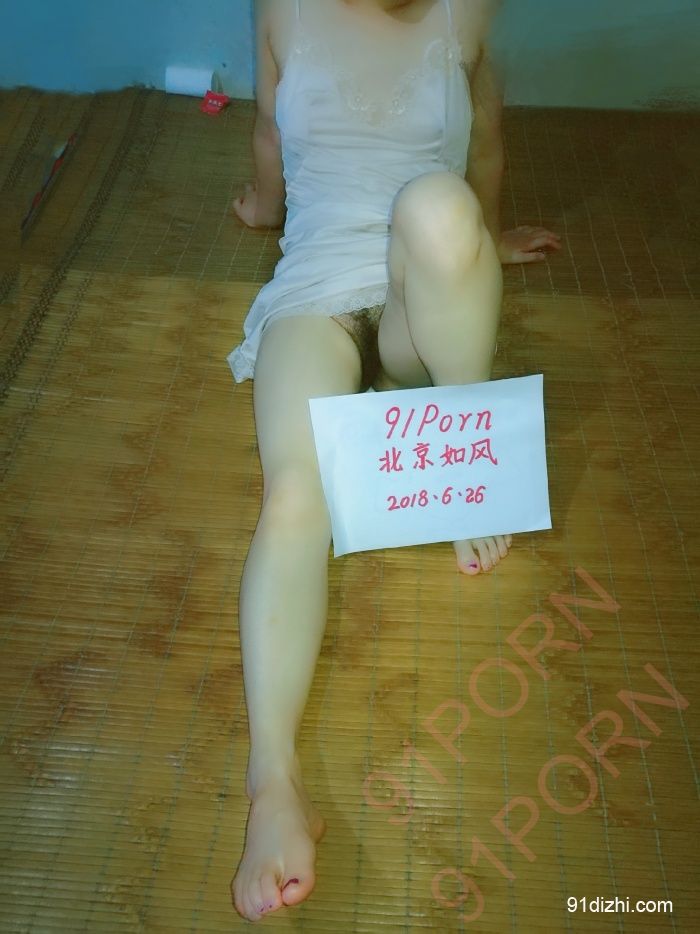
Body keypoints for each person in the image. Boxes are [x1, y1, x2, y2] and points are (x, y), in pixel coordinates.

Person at [228, 0, 560, 921]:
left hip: (425, 297)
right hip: (317, 290)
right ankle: (274, 782)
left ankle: (464, 453)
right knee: (295, 495)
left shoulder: (467, 8)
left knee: (438, 204)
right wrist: (263, 208)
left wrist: (487, 242)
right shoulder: (280, 6)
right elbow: (267, 130)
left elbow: (485, 139)